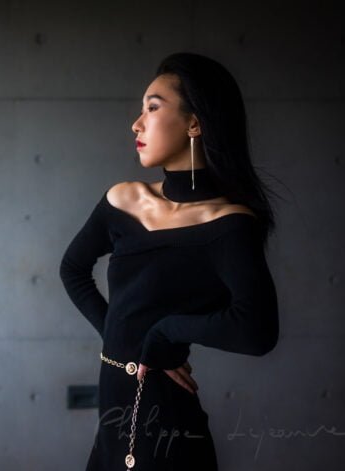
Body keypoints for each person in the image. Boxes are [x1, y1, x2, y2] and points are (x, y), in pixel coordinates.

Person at [59, 52, 280, 470]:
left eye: (153, 108)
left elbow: (257, 330)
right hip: (112, 423)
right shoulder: (124, 200)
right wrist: (126, 340)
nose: (136, 123)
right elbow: (72, 270)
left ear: (194, 124)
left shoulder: (228, 225)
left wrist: (163, 335)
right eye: (141, 109)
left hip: (167, 429)